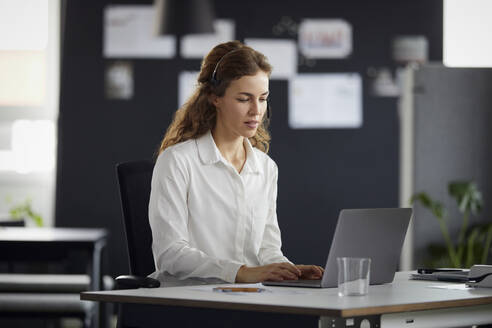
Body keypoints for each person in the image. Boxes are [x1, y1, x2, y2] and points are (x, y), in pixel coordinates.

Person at [149, 40, 323, 285]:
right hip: (190, 299)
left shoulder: (265, 168)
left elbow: (267, 248)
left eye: (263, 99)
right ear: (215, 98)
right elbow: (170, 254)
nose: (256, 111)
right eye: (244, 99)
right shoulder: (178, 161)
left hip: (249, 296)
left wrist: (288, 269)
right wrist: (240, 272)